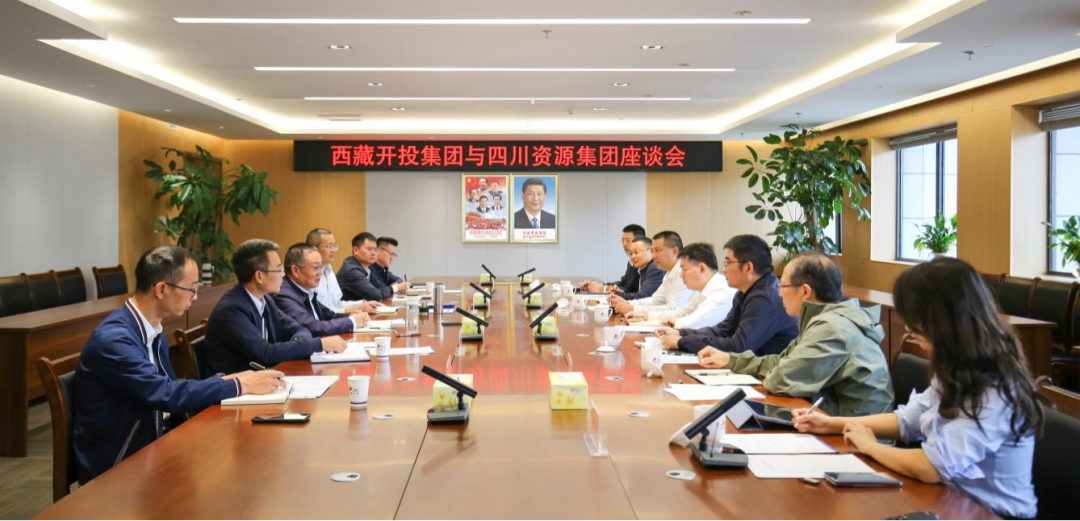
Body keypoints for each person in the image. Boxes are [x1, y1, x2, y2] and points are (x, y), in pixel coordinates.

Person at [793, 257, 1043, 520]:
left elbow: (931, 468)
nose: (909, 327)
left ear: (943, 318)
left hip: (989, 513)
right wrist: (832, 424)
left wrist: (870, 446)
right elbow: (906, 421)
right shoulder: (958, 365)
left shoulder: (996, 388)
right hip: (946, 499)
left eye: (916, 317)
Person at [73, 246, 285, 484]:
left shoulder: (152, 329)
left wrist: (230, 381)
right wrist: (237, 384)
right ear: (161, 289)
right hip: (119, 467)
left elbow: (168, 389)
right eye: (192, 289)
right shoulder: (114, 340)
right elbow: (165, 393)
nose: (195, 297)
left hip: (153, 445)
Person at [697, 251, 893, 417]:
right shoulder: (824, 319)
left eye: (782, 286)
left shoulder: (833, 328)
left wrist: (774, 372)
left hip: (857, 437)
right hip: (835, 423)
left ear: (805, 291)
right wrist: (730, 360)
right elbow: (783, 361)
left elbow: (780, 380)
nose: (779, 293)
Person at [203, 239, 346, 375]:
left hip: (266, 379)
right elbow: (266, 353)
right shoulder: (231, 310)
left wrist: (298, 345)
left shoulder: (265, 299)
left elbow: (299, 329)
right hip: (238, 387)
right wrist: (318, 344)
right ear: (259, 276)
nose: (283, 275)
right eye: (279, 269)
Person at [655, 235, 797, 355]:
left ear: (748, 267)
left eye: (728, 263)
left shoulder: (765, 298)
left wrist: (682, 341)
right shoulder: (745, 292)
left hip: (767, 375)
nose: (724, 269)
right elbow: (724, 330)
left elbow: (738, 346)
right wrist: (681, 334)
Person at [629, 242, 737, 329]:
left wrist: (675, 322)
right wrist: (646, 315)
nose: (681, 275)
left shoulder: (722, 291)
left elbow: (694, 322)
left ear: (701, 268)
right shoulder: (706, 290)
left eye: (684, 270)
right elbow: (681, 313)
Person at [274, 243, 370, 337]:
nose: (320, 273)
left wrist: (352, 316)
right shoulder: (285, 295)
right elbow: (312, 327)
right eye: (315, 268)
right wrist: (352, 322)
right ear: (295, 271)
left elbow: (328, 315)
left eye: (321, 267)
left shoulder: (307, 290)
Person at [610, 231, 692, 316]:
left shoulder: (683, 273)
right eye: (652, 251)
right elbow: (655, 300)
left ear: (674, 251)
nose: (653, 256)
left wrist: (633, 308)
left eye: (657, 250)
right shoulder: (669, 273)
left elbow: (673, 308)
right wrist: (628, 303)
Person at [306, 228, 381, 314]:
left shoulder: (329, 272)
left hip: (336, 319)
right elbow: (320, 314)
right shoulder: (309, 276)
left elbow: (337, 304)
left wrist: (363, 303)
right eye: (330, 247)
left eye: (334, 246)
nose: (333, 250)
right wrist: (351, 310)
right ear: (314, 249)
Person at [583, 224, 645, 294]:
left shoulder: (644, 264)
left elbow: (631, 289)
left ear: (640, 242)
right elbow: (623, 283)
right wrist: (599, 286)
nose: (624, 244)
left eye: (628, 241)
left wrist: (604, 289)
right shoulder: (631, 262)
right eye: (622, 241)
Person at [337, 232, 394, 302]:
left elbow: (382, 287)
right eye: (369, 249)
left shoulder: (367, 267)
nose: (373, 253)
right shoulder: (352, 270)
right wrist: (389, 289)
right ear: (356, 250)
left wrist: (384, 290)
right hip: (347, 308)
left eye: (375, 250)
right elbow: (376, 295)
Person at [613, 236, 665, 300]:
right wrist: (620, 291)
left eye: (636, 252)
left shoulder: (655, 268)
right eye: (630, 253)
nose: (633, 257)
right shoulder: (640, 268)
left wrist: (617, 294)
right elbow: (632, 289)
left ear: (651, 251)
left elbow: (643, 296)